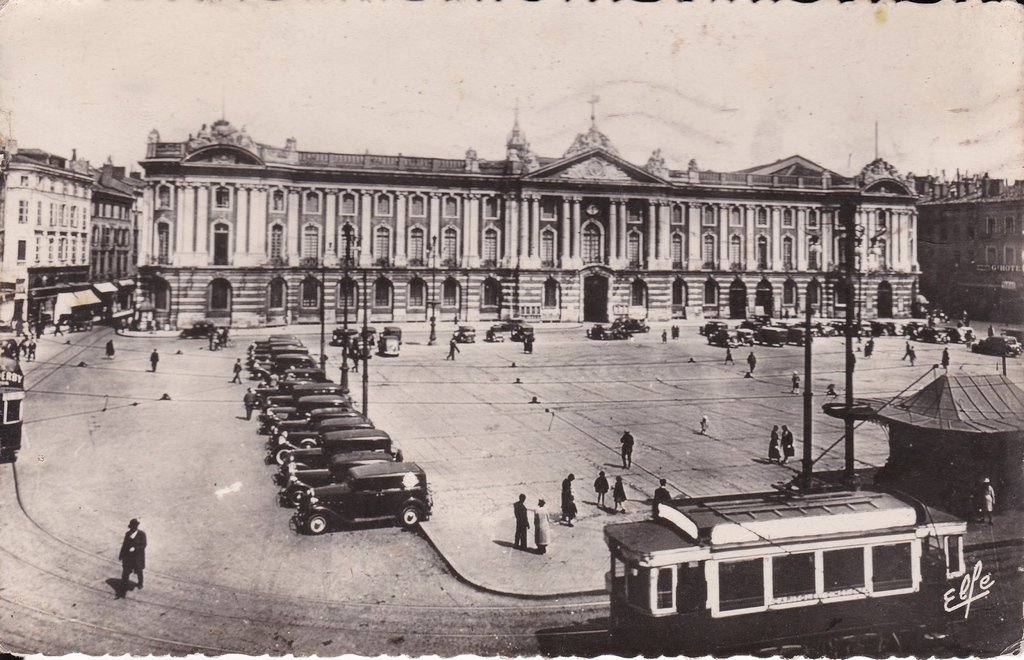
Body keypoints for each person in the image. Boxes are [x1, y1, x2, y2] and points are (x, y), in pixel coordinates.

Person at [118, 518, 147, 597]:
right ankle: (123, 589)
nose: (132, 528)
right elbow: (124, 545)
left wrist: (135, 548)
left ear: (136, 526)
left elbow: (144, 545)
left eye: (134, 526)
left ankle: (140, 583)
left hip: (138, 557)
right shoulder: (127, 534)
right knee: (126, 572)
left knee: (139, 571)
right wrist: (121, 555)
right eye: (131, 527)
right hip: (128, 557)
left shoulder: (142, 534)